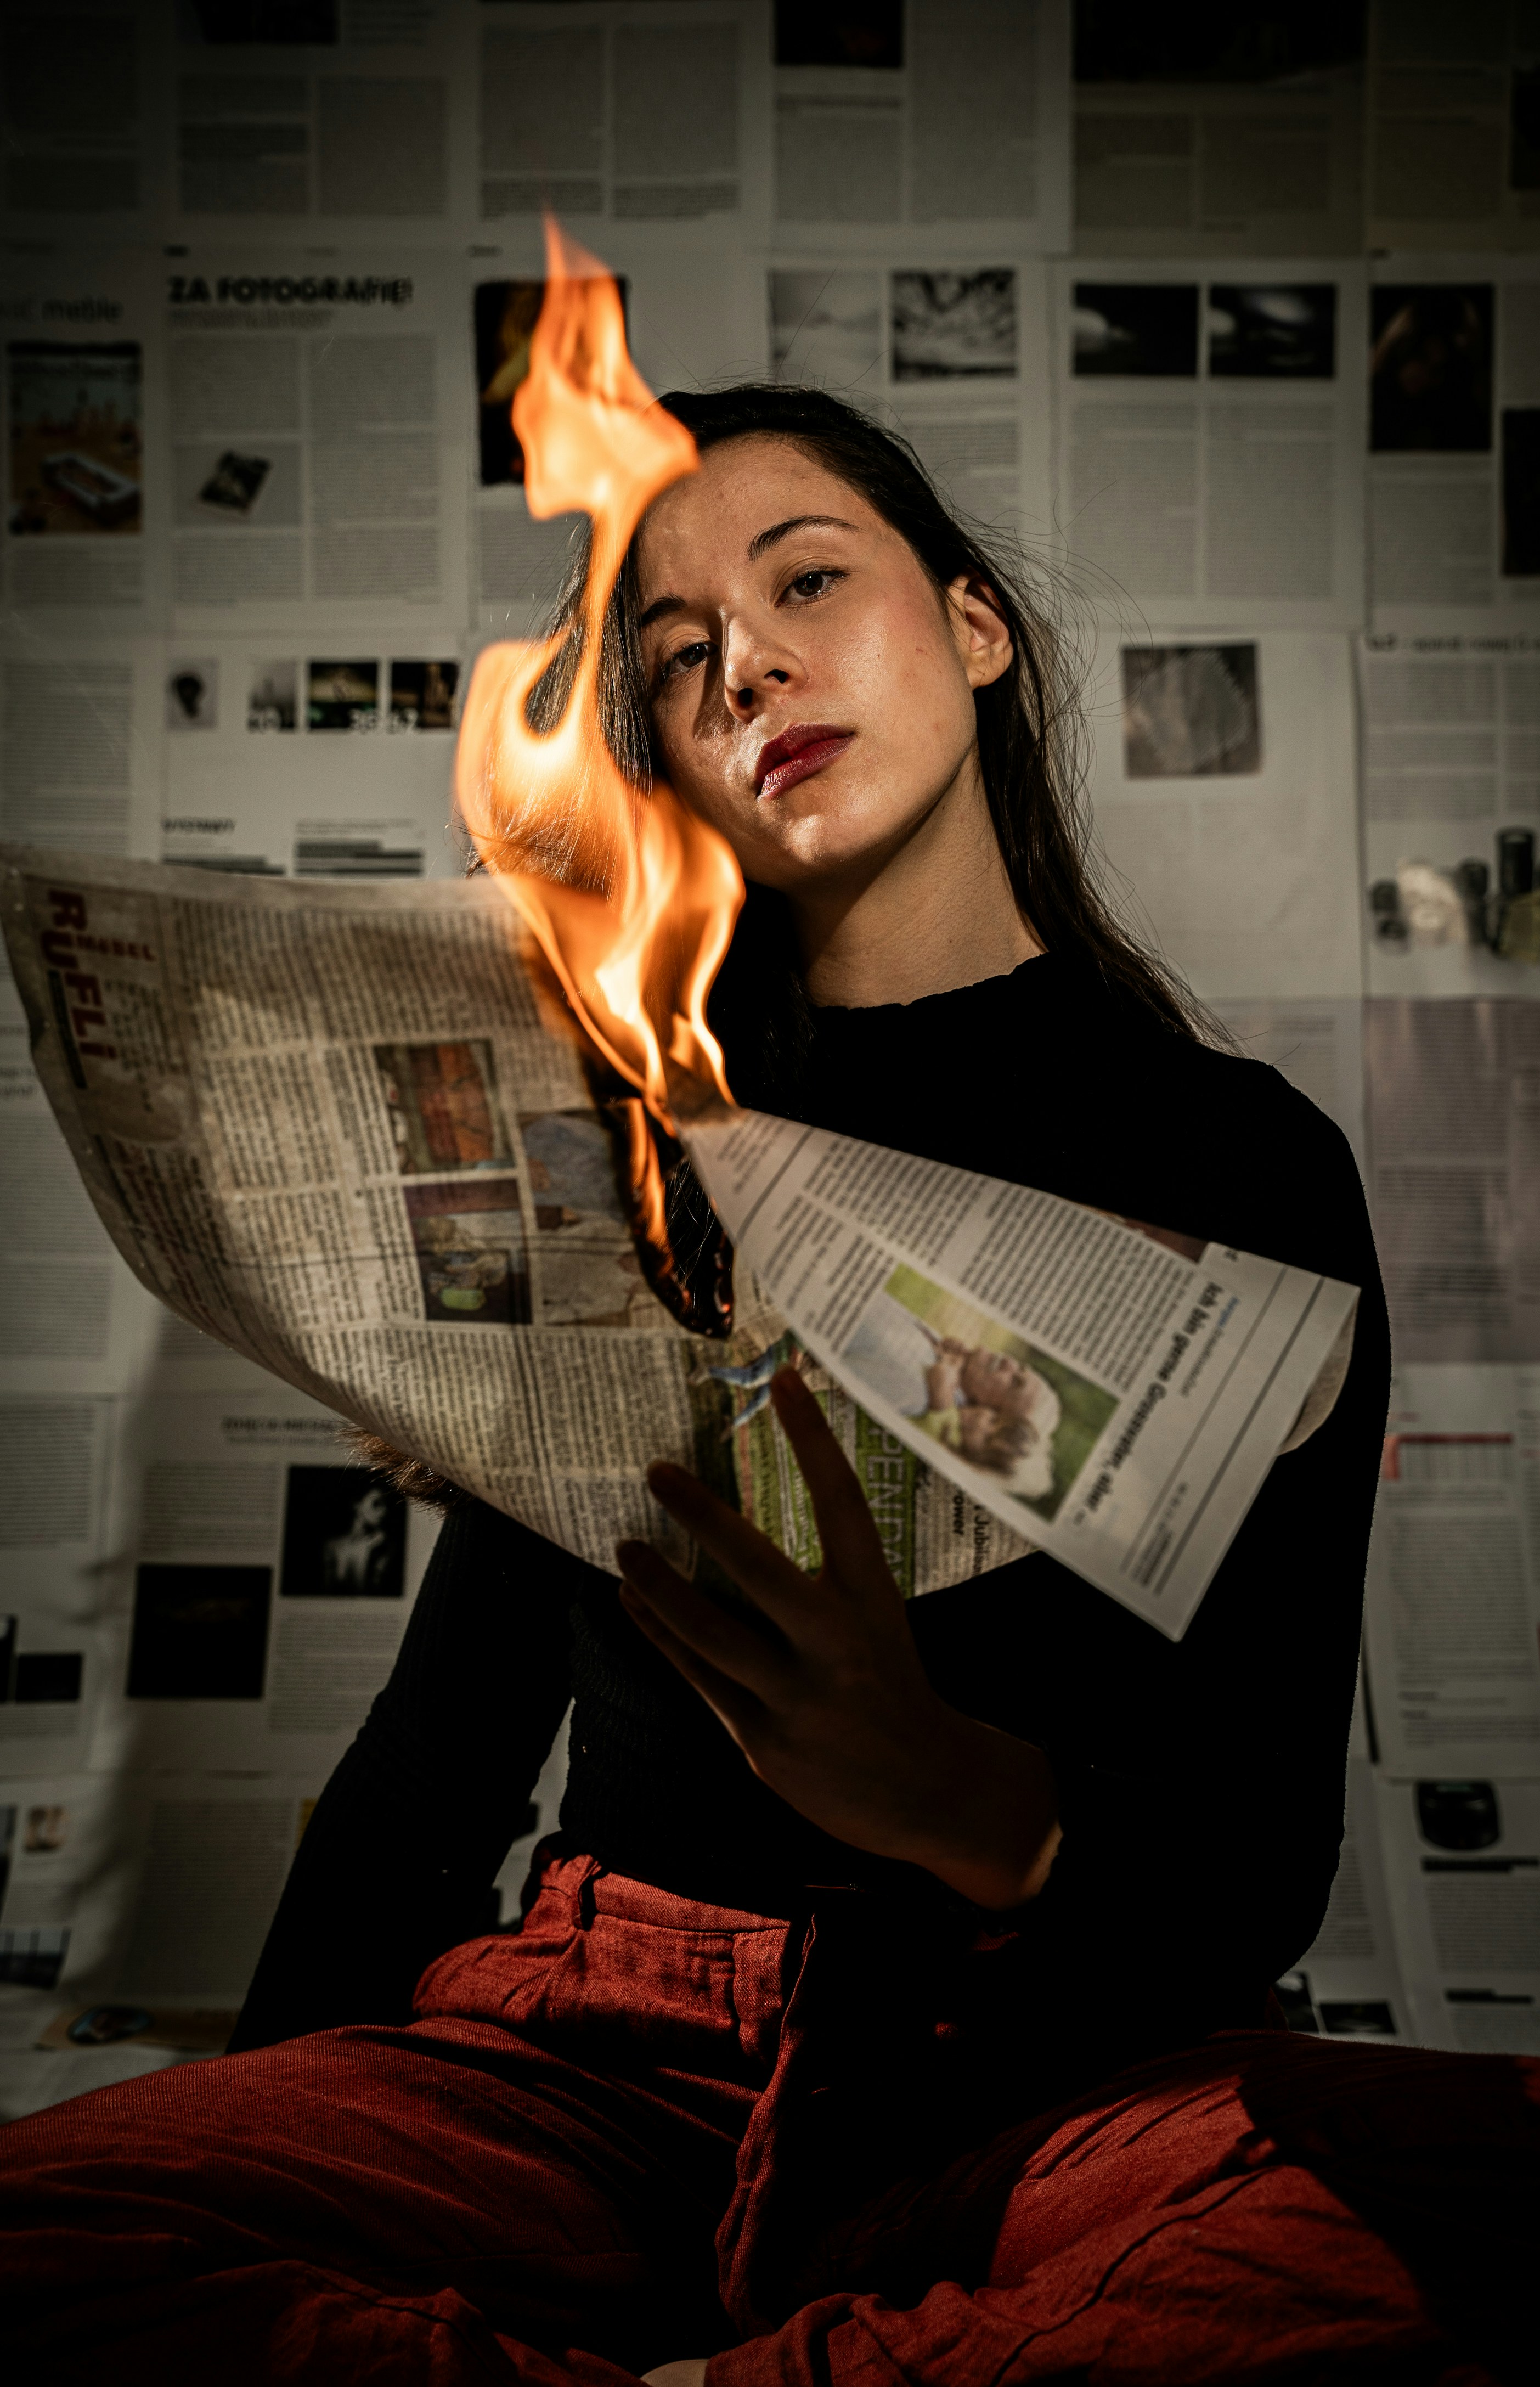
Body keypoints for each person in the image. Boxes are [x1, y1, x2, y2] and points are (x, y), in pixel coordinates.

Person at [2, 385, 1450, 2381]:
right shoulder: (630, 1148)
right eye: (677, 657)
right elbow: (440, 1770)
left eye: (804, 583)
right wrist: (268, 2151)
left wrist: (958, 1799)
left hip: (1040, 2066)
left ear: (971, 626)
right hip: (605, 2052)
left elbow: (1261, 1851)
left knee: (1474, 2214)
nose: (743, 658)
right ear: (671, 761)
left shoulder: (1247, 1164)